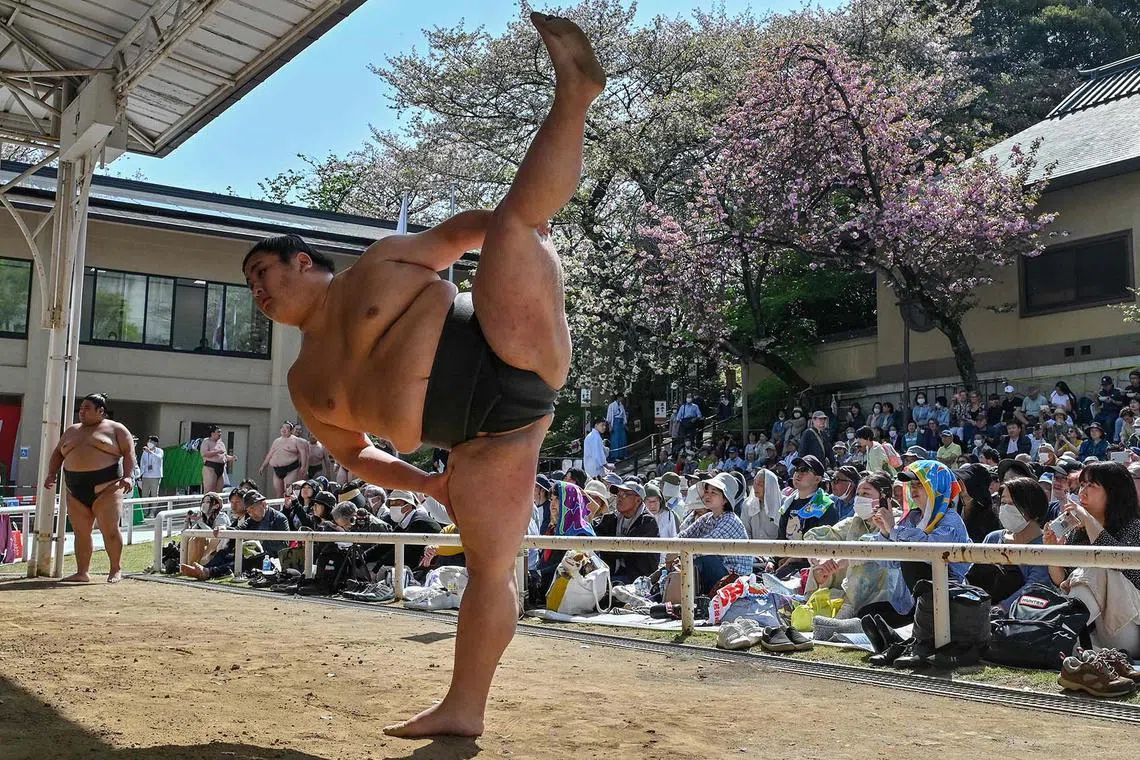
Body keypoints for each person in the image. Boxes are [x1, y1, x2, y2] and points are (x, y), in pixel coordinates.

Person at [243, 13, 605, 737]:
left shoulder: (379, 262)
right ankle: (464, 708)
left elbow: (463, 235)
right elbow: (353, 454)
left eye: (263, 271)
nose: (256, 289)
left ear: (303, 262)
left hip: (508, 342)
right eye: (249, 283)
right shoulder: (304, 382)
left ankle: (576, 95)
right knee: (489, 569)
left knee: (508, 226)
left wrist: (528, 238)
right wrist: (424, 483)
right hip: (483, 441)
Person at [1046, 461, 1140, 655]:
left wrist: (1087, 519)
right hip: (1090, 630)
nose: (1083, 492)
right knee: (1088, 569)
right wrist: (1053, 552)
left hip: (1126, 629)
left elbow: (1114, 559)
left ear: (1114, 492)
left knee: (1096, 565)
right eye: (1082, 485)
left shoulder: (1134, 527)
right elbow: (1061, 580)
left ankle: (1058, 629)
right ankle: (1081, 647)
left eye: (1092, 485)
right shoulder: (1077, 530)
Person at [41, 393, 136, 584]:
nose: (81, 412)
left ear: (101, 411)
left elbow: (129, 453)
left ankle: (115, 569)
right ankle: (82, 572)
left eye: (87, 408)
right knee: (81, 532)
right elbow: (58, 454)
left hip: (107, 487)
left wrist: (128, 476)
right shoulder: (71, 431)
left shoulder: (116, 429)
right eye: (81, 408)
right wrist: (52, 473)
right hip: (75, 489)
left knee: (109, 529)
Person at [968, 477, 1055, 611]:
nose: (1006, 508)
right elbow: (972, 578)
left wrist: (1000, 609)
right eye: (1003, 502)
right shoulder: (993, 538)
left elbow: (1035, 588)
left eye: (1014, 503)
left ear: (1033, 507)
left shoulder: (1046, 543)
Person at [670, 473, 751, 594]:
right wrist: (672, 550)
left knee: (703, 558)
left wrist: (680, 555)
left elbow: (705, 546)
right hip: (718, 572)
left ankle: (697, 600)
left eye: (714, 492)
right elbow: (684, 535)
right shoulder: (707, 517)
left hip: (734, 578)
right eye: (706, 491)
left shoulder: (730, 520)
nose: (707, 495)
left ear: (725, 499)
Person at [592, 480, 659, 584]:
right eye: (618, 494)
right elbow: (593, 530)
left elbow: (623, 550)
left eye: (624, 495)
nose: (619, 498)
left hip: (638, 579)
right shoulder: (613, 518)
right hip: (614, 573)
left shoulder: (647, 522)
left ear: (638, 500)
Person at [258, 421, 309, 497]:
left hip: (291, 469)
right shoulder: (276, 441)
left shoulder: (297, 441)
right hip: (277, 470)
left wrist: (303, 467)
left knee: (288, 491)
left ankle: (290, 506)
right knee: (278, 493)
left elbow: (303, 454)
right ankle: (281, 508)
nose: (284, 429)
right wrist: (263, 466)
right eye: (282, 427)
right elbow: (270, 454)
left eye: (287, 428)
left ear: (291, 431)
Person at [742, 468, 781, 541]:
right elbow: (745, 531)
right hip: (753, 549)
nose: (755, 487)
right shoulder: (747, 504)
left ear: (770, 487)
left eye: (760, 484)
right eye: (755, 483)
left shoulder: (783, 504)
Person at [200, 425, 235, 495]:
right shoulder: (206, 441)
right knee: (209, 490)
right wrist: (216, 452)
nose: (220, 434)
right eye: (218, 432)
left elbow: (224, 455)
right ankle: (207, 504)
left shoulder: (221, 443)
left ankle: (217, 504)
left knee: (219, 491)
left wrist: (231, 458)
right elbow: (204, 453)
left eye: (220, 432)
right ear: (212, 433)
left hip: (221, 468)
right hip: (210, 467)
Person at [138, 435, 164, 505]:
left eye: (151, 441)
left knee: (154, 495)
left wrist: (150, 452)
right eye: (148, 441)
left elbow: (159, 457)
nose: (149, 443)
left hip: (155, 476)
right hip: (145, 476)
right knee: (144, 495)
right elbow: (142, 463)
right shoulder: (145, 452)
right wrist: (140, 474)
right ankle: (144, 511)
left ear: (155, 443)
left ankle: (152, 512)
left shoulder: (159, 451)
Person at [605, 394, 627, 461]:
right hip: (615, 423)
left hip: (621, 423)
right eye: (621, 398)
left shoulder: (621, 405)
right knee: (615, 439)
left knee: (623, 439)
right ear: (618, 398)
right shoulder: (611, 405)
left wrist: (624, 423)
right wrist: (610, 426)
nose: (622, 399)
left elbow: (624, 415)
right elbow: (609, 416)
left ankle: (622, 455)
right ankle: (615, 455)